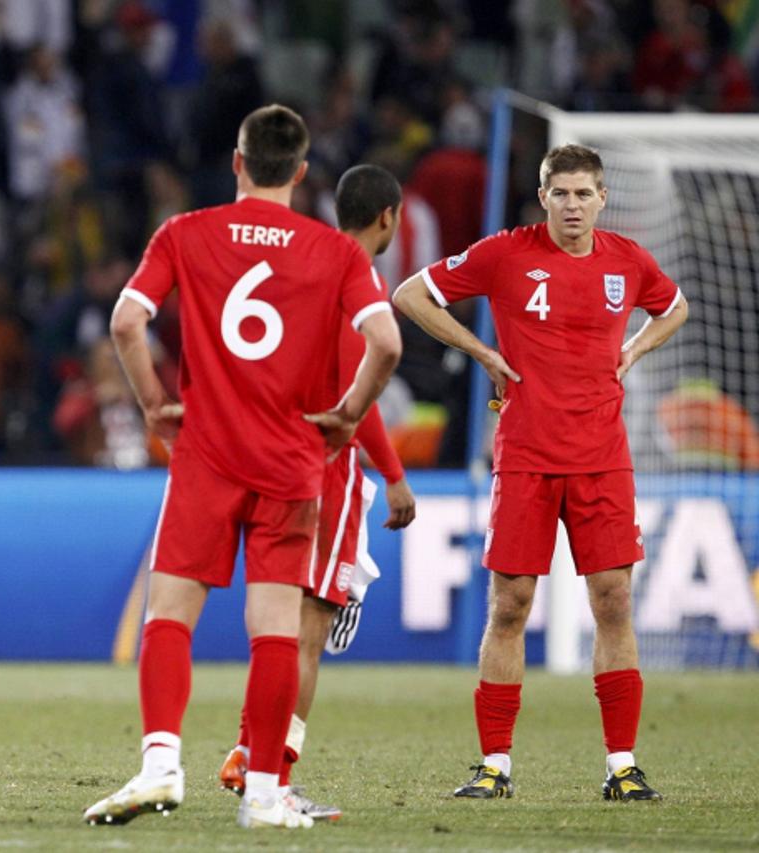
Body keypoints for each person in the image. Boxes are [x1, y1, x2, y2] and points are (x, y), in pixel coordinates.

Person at [83, 105, 402, 830]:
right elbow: (384, 341)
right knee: (275, 631)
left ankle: (161, 764)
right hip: (291, 462)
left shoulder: (184, 233)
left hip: (206, 454)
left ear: (236, 162)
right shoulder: (337, 252)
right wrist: (349, 414)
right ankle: (263, 791)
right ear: (300, 172)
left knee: (170, 614)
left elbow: (126, 322)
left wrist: (156, 402)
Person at [392, 144, 688, 801]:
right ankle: (495, 766)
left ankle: (623, 765)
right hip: (525, 454)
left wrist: (635, 349)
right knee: (511, 605)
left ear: (603, 199)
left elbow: (675, 307)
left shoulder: (628, 262)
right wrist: (481, 351)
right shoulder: (504, 252)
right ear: (543, 197)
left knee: (613, 601)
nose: (574, 206)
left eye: (585, 194)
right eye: (563, 194)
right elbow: (411, 294)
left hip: (603, 458)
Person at [218, 165, 418, 818]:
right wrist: (392, 474)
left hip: (264, 454)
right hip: (321, 469)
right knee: (307, 632)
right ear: (387, 216)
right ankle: (273, 771)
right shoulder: (355, 277)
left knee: (281, 626)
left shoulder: (297, 267)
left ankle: (252, 752)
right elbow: (353, 396)